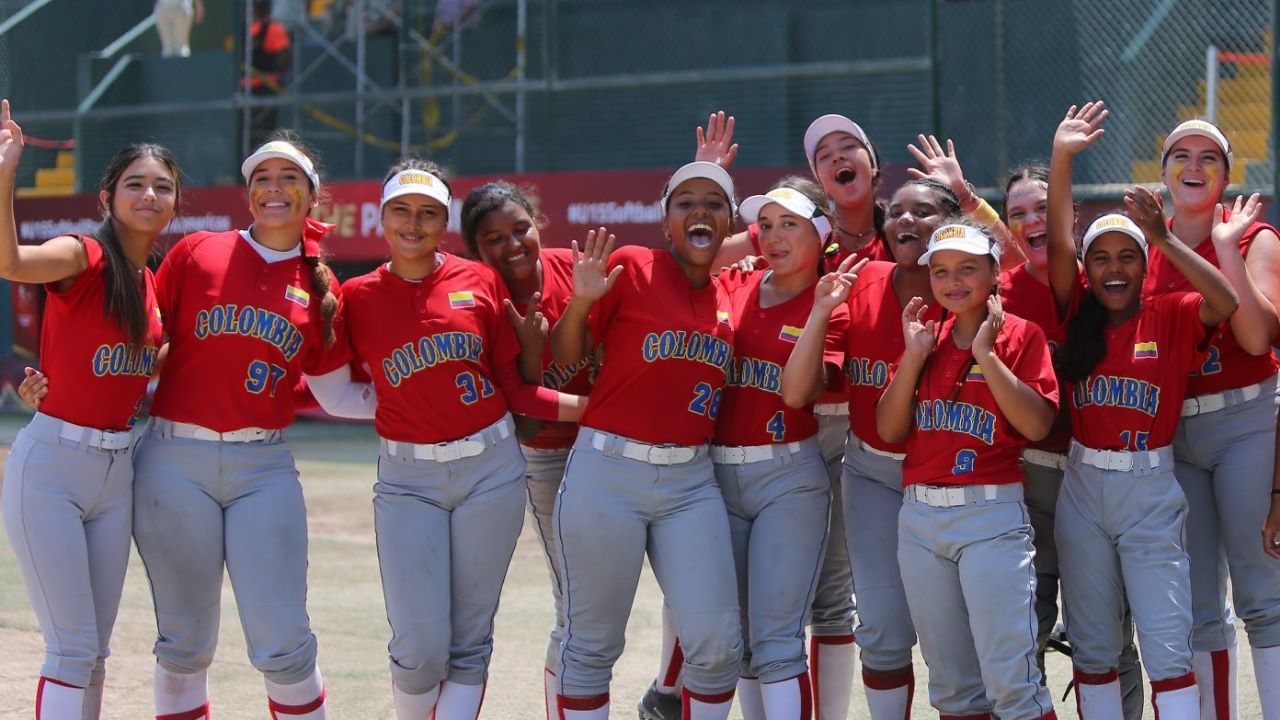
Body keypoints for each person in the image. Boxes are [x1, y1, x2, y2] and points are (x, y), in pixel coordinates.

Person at [130, 132, 363, 720]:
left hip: (263, 465)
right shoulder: (197, 252)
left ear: (313, 197)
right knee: (183, 643)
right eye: (262, 178)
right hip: (173, 458)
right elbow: (141, 342)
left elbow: (338, 394)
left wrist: (446, 410)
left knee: (284, 641)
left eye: (289, 178)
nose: (274, 188)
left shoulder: (321, 286)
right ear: (248, 192)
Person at [341, 163, 584, 719]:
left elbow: (515, 386)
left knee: (470, 642)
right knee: (418, 648)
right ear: (380, 218)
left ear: (443, 222)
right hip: (408, 478)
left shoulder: (479, 283)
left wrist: (594, 410)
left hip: (491, 468)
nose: (414, 223)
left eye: (428, 212)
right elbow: (332, 385)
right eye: (401, 210)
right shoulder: (356, 296)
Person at [1048, 102, 1246, 718]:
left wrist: (1161, 238)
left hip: (1151, 486)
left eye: (1127, 257)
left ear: (1144, 266)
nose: (1114, 269)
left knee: (1167, 645)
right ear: (1086, 270)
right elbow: (1056, 239)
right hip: (1082, 487)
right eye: (1100, 257)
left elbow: (1226, 300)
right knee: (1095, 646)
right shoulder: (1076, 313)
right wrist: (1062, 159)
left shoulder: (1172, 311)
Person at [0, 100, 175, 719]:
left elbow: (139, 370)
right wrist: (6, 174)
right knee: (71, 649)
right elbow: (11, 262)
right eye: (135, 184)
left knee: (95, 651)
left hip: (116, 471)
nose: (149, 194)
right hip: (53, 466)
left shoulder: (153, 284)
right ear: (107, 197)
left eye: (162, 186)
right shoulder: (84, 254)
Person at [549, 162, 742, 720]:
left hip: (691, 480)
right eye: (685, 202)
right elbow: (565, 356)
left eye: (714, 202)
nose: (699, 210)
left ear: (729, 221)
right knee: (592, 644)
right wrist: (581, 300)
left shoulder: (733, 290)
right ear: (664, 221)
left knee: (717, 645)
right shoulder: (632, 266)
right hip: (607, 472)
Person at [783, 177, 956, 720]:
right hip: (873, 474)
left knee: (954, 633)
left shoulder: (971, 288)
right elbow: (808, 385)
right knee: (880, 625)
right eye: (897, 212)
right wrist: (816, 313)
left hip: (953, 481)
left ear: (949, 226)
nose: (905, 220)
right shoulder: (861, 281)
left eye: (923, 212)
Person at [877, 221, 1059, 719]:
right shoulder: (924, 337)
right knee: (953, 687)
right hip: (920, 520)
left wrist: (985, 353)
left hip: (990, 517)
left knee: (1011, 684)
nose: (953, 281)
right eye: (941, 271)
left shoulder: (1021, 335)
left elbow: (1038, 424)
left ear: (995, 272)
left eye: (967, 268)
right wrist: (913, 357)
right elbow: (890, 430)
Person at [1146, 117, 1280, 720]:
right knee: (1197, 604)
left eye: (1208, 157)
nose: (1193, 166)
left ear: (1227, 174)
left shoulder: (1256, 238)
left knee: (1264, 594)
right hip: (1171, 435)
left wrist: (1227, 247)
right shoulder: (1142, 242)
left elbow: (1255, 340)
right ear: (1163, 171)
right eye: (1180, 155)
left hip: (1244, 421)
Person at [1001, 162, 1145, 717]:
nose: (1032, 220)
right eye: (1019, 214)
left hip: (1099, 478)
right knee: (1024, 629)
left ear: (1069, 215)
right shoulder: (998, 292)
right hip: (1028, 480)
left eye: (1043, 208)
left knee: (1106, 636)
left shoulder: (1107, 283)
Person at [715, 177, 860, 719]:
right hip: (718, 474)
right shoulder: (733, 285)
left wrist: (819, 310)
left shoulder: (834, 306)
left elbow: (798, 393)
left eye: (789, 224)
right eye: (766, 225)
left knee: (776, 637)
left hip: (788, 471)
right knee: (742, 636)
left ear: (820, 233)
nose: (773, 237)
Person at [460, 181, 595, 720]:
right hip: (545, 457)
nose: (513, 244)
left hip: (612, 447)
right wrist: (533, 360)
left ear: (538, 223)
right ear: (475, 249)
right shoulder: (478, 295)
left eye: (521, 229)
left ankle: (666, 690)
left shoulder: (573, 267)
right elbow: (527, 416)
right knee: (576, 605)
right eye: (494, 239)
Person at [245, 0, 292, 149]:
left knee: (263, 134)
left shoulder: (273, 29)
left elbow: (282, 60)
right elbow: (283, 62)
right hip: (253, 89)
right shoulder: (250, 29)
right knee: (257, 134)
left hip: (266, 88)